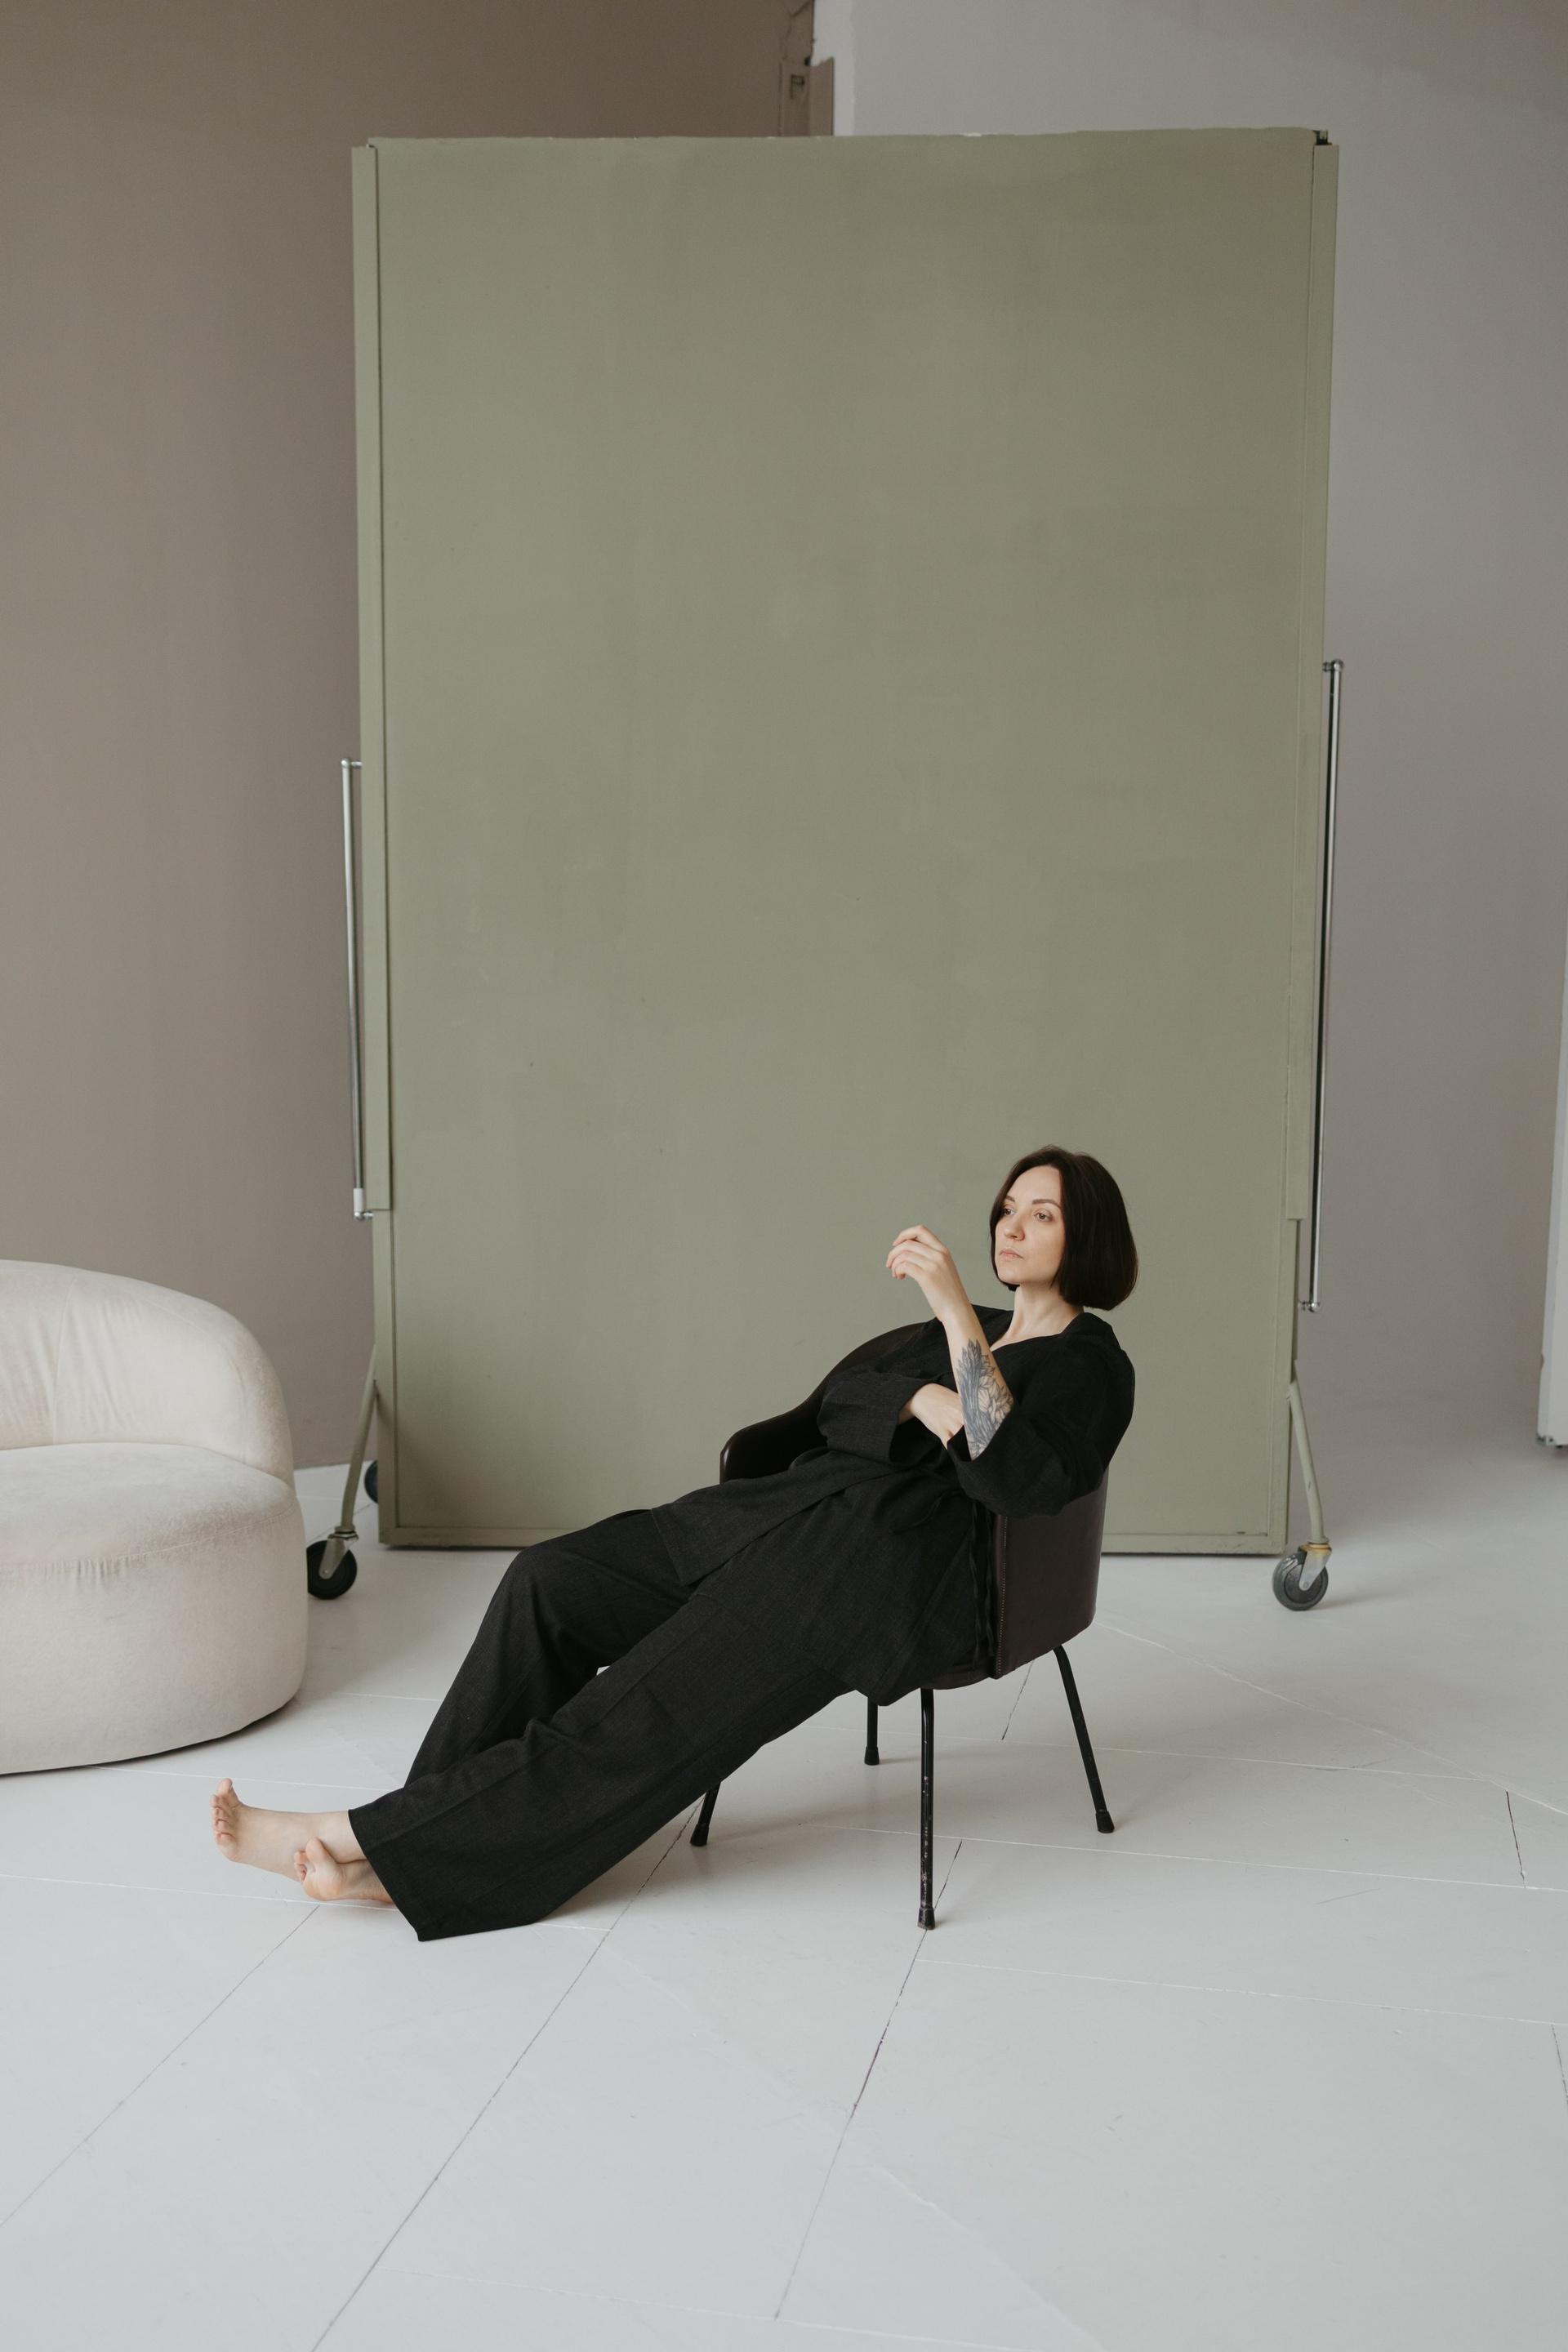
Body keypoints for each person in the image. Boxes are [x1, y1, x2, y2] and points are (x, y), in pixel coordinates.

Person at [212, 1147, 1137, 1939]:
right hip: (762, 1521)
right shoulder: (947, 1336)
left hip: (865, 1576)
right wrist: (915, 1397)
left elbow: (1014, 1480)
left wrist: (958, 1322)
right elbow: (838, 1405)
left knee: (639, 1712)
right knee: (551, 1579)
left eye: (1042, 1214)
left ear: (1086, 1238)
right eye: (1007, 1207)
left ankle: (368, 1840)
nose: (1012, 1226)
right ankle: (424, 1849)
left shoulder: (1091, 1366)